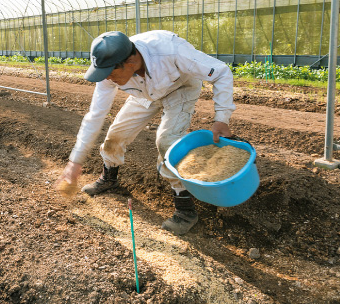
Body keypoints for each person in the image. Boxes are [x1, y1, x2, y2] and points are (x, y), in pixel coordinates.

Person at [57, 30, 235, 235]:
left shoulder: (171, 50)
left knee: (167, 142)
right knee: (115, 135)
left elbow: (221, 72)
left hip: (180, 89)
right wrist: (75, 161)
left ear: (130, 63)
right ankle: (109, 178)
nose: (107, 79)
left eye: (111, 73)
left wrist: (222, 118)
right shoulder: (110, 70)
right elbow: (95, 114)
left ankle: (186, 210)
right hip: (143, 93)